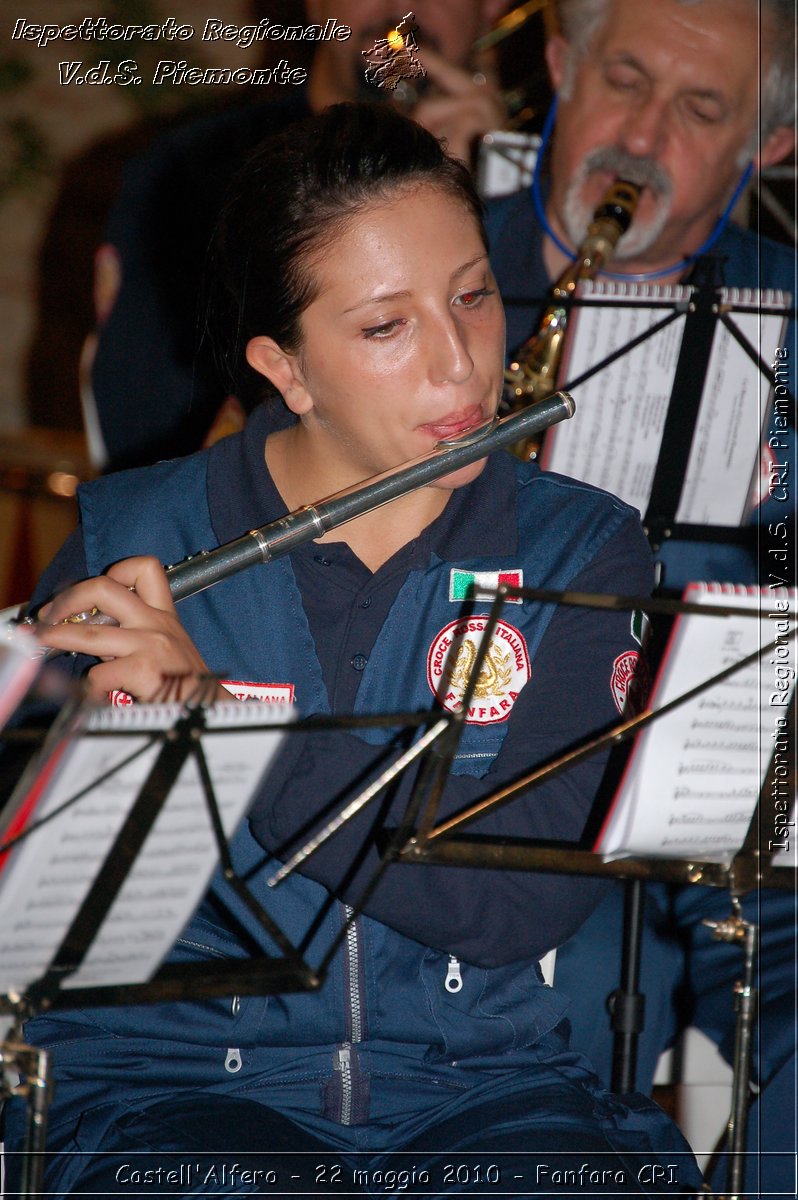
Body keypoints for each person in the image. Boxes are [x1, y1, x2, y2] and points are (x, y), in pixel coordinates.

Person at [2, 102, 703, 1197]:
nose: (462, 365)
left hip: (481, 1091)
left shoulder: (581, 545)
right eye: (386, 328)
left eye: (472, 296)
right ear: (286, 368)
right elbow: (40, 934)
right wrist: (42, 726)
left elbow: (518, 902)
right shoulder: (127, 542)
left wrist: (223, 722)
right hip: (174, 1093)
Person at [484, 1, 796, 1196]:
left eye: (702, 108)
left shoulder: (793, 323)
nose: (642, 134)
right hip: (496, 816)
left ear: (768, 150)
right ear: (560, 62)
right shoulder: (410, 274)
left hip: (748, 826)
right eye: (624, 77)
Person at [88, 0, 510, 469]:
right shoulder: (184, 173)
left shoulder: (536, 181)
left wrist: (498, 197)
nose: (402, 8)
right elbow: (145, 425)